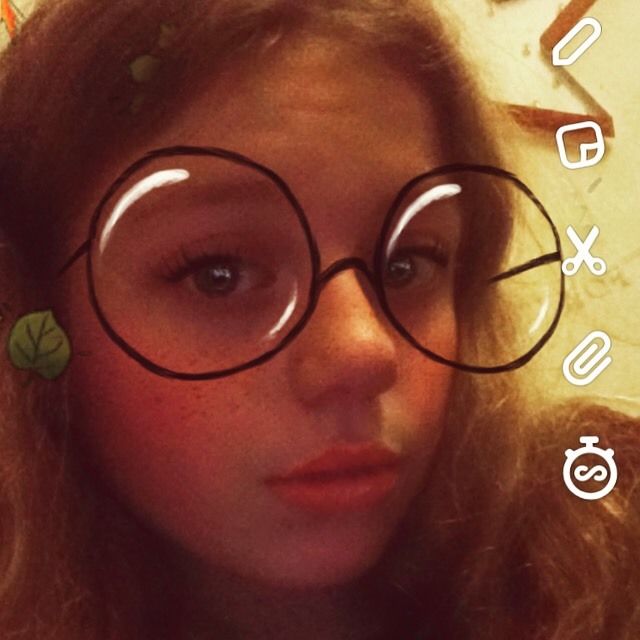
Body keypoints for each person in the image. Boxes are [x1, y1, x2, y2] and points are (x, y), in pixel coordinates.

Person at [0, 1, 639, 638]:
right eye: (218, 274)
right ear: (34, 320)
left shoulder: (603, 522)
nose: (366, 351)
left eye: (407, 264)